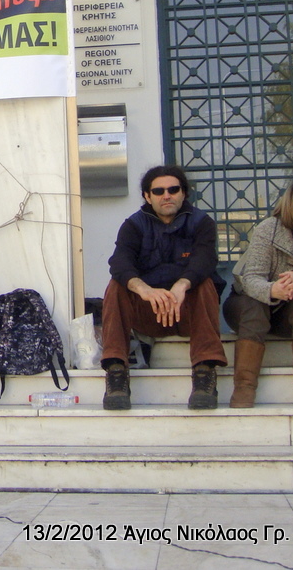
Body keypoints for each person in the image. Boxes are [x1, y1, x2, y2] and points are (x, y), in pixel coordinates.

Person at [100, 165, 225, 410]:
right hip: (148, 313)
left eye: (173, 189)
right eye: (158, 191)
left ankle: (204, 373)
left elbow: (205, 259)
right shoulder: (133, 225)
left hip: (187, 312)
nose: (166, 195)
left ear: (183, 193)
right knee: (117, 285)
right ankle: (116, 373)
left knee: (205, 283)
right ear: (148, 196)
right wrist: (143, 289)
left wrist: (182, 285)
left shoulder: (202, 223)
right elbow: (120, 262)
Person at [223, 178, 293, 410]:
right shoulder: (269, 229)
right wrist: (273, 289)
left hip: (289, 312)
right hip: (245, 305)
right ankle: (244, 387)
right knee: (256, 305)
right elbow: (251, 278)